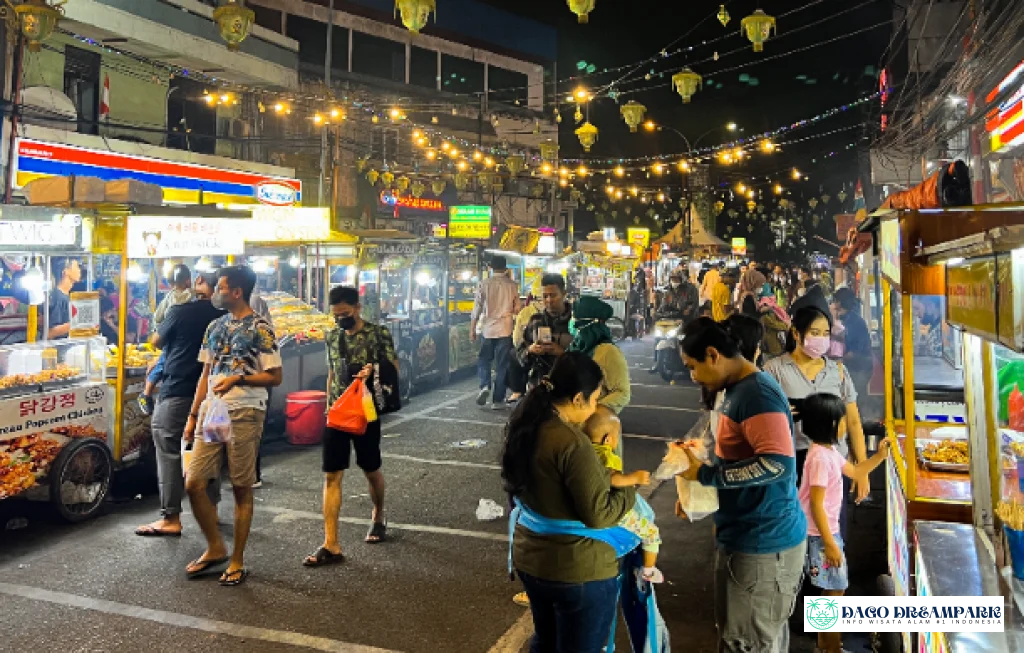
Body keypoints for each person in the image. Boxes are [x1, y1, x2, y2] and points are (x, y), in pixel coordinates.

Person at [677, 317, 806, 653]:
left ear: (713, 355)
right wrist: (699, 491)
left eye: (692, 367)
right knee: (747, 639)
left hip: (764, 544)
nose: (692, 376)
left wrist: (706, 477)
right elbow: (736, 459)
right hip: (745, 537)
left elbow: (776, 464)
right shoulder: (735, 390)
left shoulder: (757, 393)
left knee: (748, 644)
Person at [504, 352, 636, 652]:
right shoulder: (572, 443)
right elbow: (599, 515)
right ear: (578, 399)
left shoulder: (526, 422)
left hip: (531, 558)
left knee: (546, 641)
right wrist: (629, 485)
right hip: (576, 570)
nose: (594, 410)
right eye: (593, 400)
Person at [183, 265, 282, 587]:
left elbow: (274, 377)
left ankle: (237, 559)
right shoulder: (214, 326)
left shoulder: (261, 328)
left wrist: (239, 377)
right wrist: (193, 414)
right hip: (213, 412)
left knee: (241, 487)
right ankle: (215, 546)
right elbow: (205, 374)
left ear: (236, 292)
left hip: (245, 412)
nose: (214, 293)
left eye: (220, 288)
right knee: (194, 482)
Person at [762, 285, 870, 539]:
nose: (822, 338)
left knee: (829, 534)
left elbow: (853, 422)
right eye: (815, 332)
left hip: (834, 464)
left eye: (826, 333)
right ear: (796, 334)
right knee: (793, 532)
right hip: (792, 463)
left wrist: (862, 469)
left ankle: (824, 577)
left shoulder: (838, 371)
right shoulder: (774, 370)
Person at [304, 286, 397, 567]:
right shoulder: (332, 337)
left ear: (357, 308)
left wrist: (374, 370)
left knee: (371, 469)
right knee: (332, 475)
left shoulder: (378, 333)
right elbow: (332, 373)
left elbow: (394, 369)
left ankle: (378, 515)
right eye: (336, 316)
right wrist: (328, 408)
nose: (340, 320)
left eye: (344, 314)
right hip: (337, 413)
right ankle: (331, 543)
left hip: (366, 413)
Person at [135, 273, 224, 537]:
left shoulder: (180, 311)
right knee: (209, 448)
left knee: (168, 447)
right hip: (214, 391)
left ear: (198, 282)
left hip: (178, 389)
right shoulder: (225, 317)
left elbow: (156, 341)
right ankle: (211, 509)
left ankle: (170, 516)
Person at [798, 393, 889, 653]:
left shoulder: (829, 452)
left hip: (826, 534)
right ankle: (831, 648)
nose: (844, 425)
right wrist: (829, 543)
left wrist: (880, 456)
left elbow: (856, 472)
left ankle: (825, 647)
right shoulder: (819, 458)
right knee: (833, 594)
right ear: (828, 424)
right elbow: (816, 504)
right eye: (840, 421)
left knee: (829, 594)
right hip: (820, 536)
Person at [585, 409, 662, 582]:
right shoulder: (605, 454)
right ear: (608, 439)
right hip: (610, 507)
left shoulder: (581, 451)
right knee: (651, 533)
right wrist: (634, 478)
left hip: (588, 504)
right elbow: (612, 479)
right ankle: (648, 571)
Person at [570, 296, 631, 454]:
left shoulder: (608, 352)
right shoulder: (576, 347)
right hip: (575, 430)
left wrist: (592, 411)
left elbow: (622, 393)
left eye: (578, 321)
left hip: (599, 435)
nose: (574, 326)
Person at [139, 264, 195, 416]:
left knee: (163, 362)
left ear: (170, 282)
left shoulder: (169, 296)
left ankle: (147, 392)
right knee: (162, 363)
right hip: (172, 335)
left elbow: (157, 316)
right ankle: (146, 393)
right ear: (189, 281)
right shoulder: (188, 295)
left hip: (168, 333)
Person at [470, 255, 520, 409]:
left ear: (490, 268)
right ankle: (497, 400)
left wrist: (472, 329)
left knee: (484, 359)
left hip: (488, 329)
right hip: (505, 328)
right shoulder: (512, 285)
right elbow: (517, 309)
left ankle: (485, 385)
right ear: (505, 269)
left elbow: (477, 308)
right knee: (502, 365)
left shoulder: (484, 284)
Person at [516, 273, 572, 391]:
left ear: (564, 294)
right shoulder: (535, 320)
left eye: (553, 295)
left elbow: (589, 362)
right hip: (538, 389)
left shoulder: (576, 322)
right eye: (545, 296)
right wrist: (530, 350)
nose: (549, 300)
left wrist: (563, 354)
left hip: (568, 390)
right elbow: (520, 357)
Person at [831, 287, 873, 404]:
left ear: (839, 302)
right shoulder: (843, 318)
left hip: (859, 368)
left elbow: (854, 352)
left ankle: (860, 420)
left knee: (855, 399)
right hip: (851, 367)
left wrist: (837, 362)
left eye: (835, 300)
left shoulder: (855, 322)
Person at [508, 297, 542, 403]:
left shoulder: (526, 312)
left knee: (513, 355)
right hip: (535, 353)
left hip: (533, 354)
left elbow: (517, 339)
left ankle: (517, 391)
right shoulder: (564, 312)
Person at [47, 256, 81, 339]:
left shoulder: (66, 296)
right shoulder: (57, 297)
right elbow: (49, 333)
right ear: (66, 271)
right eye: (77, 267)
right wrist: (78, 323)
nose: (79, 270)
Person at [758, 284, 791, 362]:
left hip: (773, 345)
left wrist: (785, 325)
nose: (762, 307)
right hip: (770, 345)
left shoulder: (771, 312)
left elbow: (776, 324)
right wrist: (786, 325)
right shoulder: (770, 313)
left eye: (765, 304)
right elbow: (776, 324)